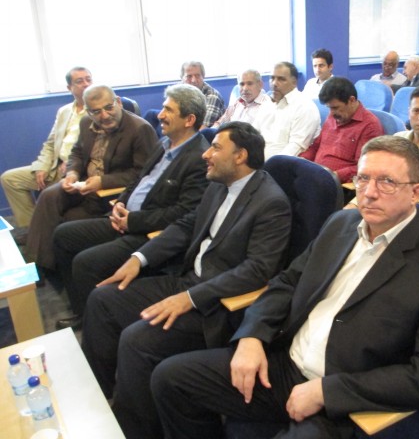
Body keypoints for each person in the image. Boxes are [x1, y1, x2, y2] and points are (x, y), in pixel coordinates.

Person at [150, 135, 419, 439]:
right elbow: (287, 282)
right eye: (363, 178)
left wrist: (327, 392)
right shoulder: (341, 224)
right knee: (171, 379)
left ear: (416, 192)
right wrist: (252, 336)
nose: (369, 192)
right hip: (283, 363)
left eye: (387, 182)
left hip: (343, 396)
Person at [81, 121, 292, 439]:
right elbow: (185, 225)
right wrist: (139, 259)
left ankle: (136, 431)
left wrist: (191, 298)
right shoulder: (218, 184)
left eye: (216, 147)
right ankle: (100, 395)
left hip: (216, 305)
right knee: (103, 299)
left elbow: (257, 270)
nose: (206, 154)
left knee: (137, 340)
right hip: (187, 280)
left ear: (240, 156)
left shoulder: (271, 202)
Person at [52, 84, 211, 330]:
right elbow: (138, 178)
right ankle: (82, 310)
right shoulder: (164, 142)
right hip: (124, 217)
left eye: (168, 110)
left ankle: (95, 321)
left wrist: (132, 221)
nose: (160, 115)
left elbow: (182, 213)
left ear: (189, 120)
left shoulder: (199, 159)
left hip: (147, 232)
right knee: (63, 235)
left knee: (85, 263)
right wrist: (121, 202)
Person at [25, 85, 158, 273]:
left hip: (107, 193)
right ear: (88, 112)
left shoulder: (139, 129)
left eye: (109, 107)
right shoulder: (86, 123)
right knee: (48, 196)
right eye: (96, 111)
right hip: (82, 183)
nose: (104, 115)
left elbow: (143, 173)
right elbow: (77, 153)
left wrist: (102, 182)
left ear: (118, 102)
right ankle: (37, 266)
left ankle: (51, 267)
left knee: (65, 221)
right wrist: (72, 173)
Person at [1, 67, 93, 229]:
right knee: (10, 179)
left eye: (88, 79)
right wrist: (42, 166)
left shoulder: (97, 111)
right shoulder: (64, 111)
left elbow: (100, 146)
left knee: (50, 196)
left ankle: (40, 229)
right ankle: (31, 228)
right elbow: (50, 143)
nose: (86, 84)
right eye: (79, 81)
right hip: (55, 166)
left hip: (78, 171)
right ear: (69, 87)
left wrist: (73, 164)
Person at [300, 77, 383, 183]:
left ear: (351, 100)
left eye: (335, 107)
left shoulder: (370, 125)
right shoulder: (334, 116)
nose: (331, 113)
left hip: (338, 184)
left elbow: (364, 167)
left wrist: (334, 176)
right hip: (316, 175)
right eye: (329, 108)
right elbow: (316, 146)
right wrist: (302, 160)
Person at [253, 62, 321, 159]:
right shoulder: (267, 103)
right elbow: (253, 133)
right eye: (272, 78)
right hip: (255, 161)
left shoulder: (305, 107)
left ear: (294, 82)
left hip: (280, 164)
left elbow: (296, 148)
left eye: (281, 79)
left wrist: (268, 165)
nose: (274, 83)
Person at [181, 61, 226, 128]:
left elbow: (203, 128)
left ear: (203, 76)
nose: (194, 80)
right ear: (182, 78)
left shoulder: (212, 96)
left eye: (197, 76)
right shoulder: (177, 93)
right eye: (189, 76)